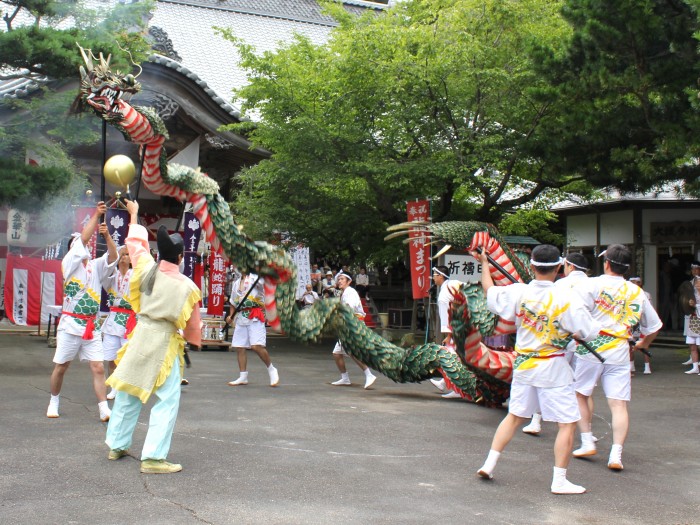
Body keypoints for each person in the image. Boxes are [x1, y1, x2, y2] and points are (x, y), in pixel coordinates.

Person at [473, 244, 601, 495]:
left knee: (514, 417)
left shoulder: (519, 292)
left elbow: (489, 291)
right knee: (567, 423)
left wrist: (485, 264)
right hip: (553, 368)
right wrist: (573, 332)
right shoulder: (566, 299)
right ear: (559, 268)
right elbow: (590, 331)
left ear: (531, 267)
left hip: (524, 366)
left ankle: (489, 464)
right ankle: (559, 480)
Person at [105, 199, 202, 474]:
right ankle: (153, 458)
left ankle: (117, 445)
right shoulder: (188, 286)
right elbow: (193, 326)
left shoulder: (147, 268)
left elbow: (135, 243)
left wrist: (134, 213)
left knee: (127, 392)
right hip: (164, 344)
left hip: (139, 337)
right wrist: (194, 341)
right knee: (167, 400)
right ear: (181, 257)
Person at [572, 244, 662, 471]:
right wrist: (644, 343)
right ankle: (616, 454)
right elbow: (654, 325)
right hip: (620, 350)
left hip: (590, 347)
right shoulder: (636, 292)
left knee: (581, 394)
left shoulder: (591, 285)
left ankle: (587, 440)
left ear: (607, 263)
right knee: (618, 403)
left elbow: (575, 313)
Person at [47, 201, 118, 421]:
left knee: (98, 367)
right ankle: (54, 400)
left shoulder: (95, 265)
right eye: (80, 244)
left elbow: (114, 258)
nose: (85, 246)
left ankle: (103, 408)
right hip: (70, 325)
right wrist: (97, 215)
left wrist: (107, 237)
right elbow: (84, 238)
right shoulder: (68, 263)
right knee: (62, 366)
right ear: (73, 248)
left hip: (92, 325)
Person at [523, 252, 590, 435]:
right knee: (583, 390)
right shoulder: (594, 284)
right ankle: (586, 437)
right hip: (588, 340)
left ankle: (537, 420)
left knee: (545, 381)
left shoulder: (560, 285)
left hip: (559, 341)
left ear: (569, 266)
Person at [226, 271, 280, 387]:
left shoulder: (256, 278)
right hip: (241, 317)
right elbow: (233, 302)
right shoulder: (236, 283)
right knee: (240, 347)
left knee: (256, 346)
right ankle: (243, 376)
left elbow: (268, 284)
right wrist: (231, 316)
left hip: (255, 315)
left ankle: (271, 369)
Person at [331, 270, 377, 389]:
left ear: (349, 281)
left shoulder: (350, 292)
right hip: (348, 325)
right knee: (337, 353)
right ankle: (345, 378)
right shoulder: (345, 292)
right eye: (338, 279)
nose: (339, 281)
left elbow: (349, 309)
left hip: (354, 326)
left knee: (352, 352)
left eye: (342, 279)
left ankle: (369, 374)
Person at [101, 245, 135, 401]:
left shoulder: (135, 275)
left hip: (129, 321)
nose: (124, 257)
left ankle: (125, 387)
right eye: (122, 255)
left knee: (127, 358)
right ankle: (114, 387)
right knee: (111, 358)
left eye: (127, 254)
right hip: (113, 319)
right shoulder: (111, 276)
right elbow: (104, 273)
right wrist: (114, 258)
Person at [428, 265, 462, 399]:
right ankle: (444, 382)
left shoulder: (443, 295)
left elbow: (446, 317)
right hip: (463, 324)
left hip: (457, 329)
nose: (433, 278)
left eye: (435, 275)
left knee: (452, 357)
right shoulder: (454, 284)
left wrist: (448, 336)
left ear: (441, 276)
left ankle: (457, 389)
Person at [628, 276, 654, 375]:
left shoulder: (646, 295)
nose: (635, 284)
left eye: (637, 282)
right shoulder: (626, 294)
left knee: (644, 344)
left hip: (644, 322)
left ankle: (647, 366)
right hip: (631, 322)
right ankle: (631, 366)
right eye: (632, 282)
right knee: (630, 345)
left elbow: (650, 309)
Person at [681, 261, 700, 372]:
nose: (695, 271)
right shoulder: (690, 283)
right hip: (692, 315)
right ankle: (695, 366)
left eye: (697, 269)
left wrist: (696, 304)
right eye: (693, 269)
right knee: (691, 342)